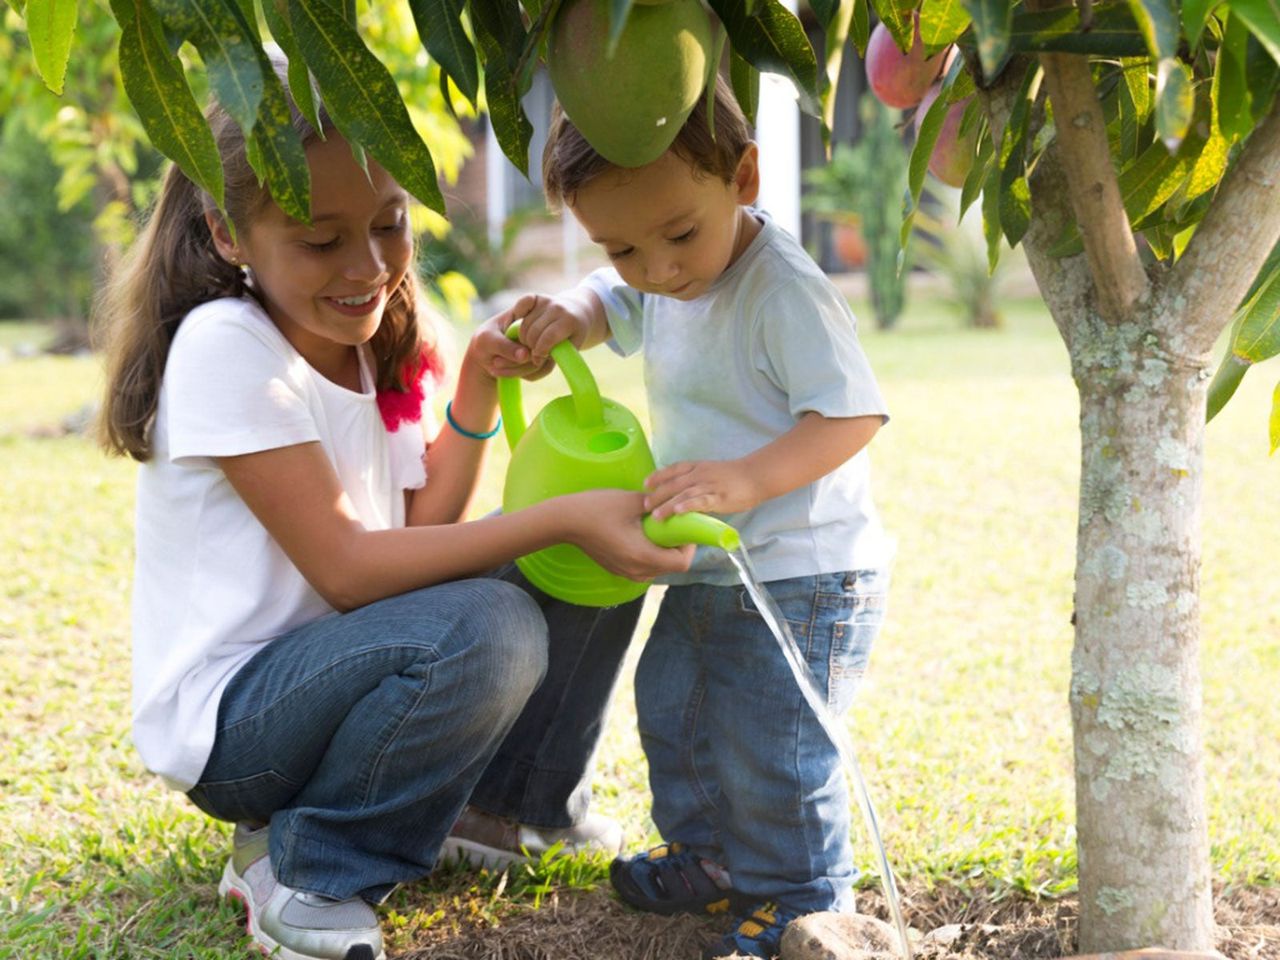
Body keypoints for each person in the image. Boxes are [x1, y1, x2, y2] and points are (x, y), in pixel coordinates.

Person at [95, 60, 694, 960]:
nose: (368, 265)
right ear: (228, 234)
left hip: (347, 674)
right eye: (321, 239)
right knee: (493, 616)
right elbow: (347, 571)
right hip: (238, 724)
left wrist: (480, 383)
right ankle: (310, 863)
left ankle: (506, 811)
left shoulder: (380, 336)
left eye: (389, 224)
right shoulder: (228, 346)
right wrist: (560, 519)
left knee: (565, 568)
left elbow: (422, 537)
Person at [480, 76, 892, 960]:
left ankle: (803, 896)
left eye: (677, 234)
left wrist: (746, 478)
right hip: (713, 558)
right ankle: (710, 856)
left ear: (743, 177)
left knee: (771, 738)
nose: (658, 268)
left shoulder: (784, 291)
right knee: (677, 703)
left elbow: (851, 416)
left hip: (803, 571)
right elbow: (613, 299)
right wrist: (573, 314)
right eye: (622, 246)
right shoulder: (659, 274)